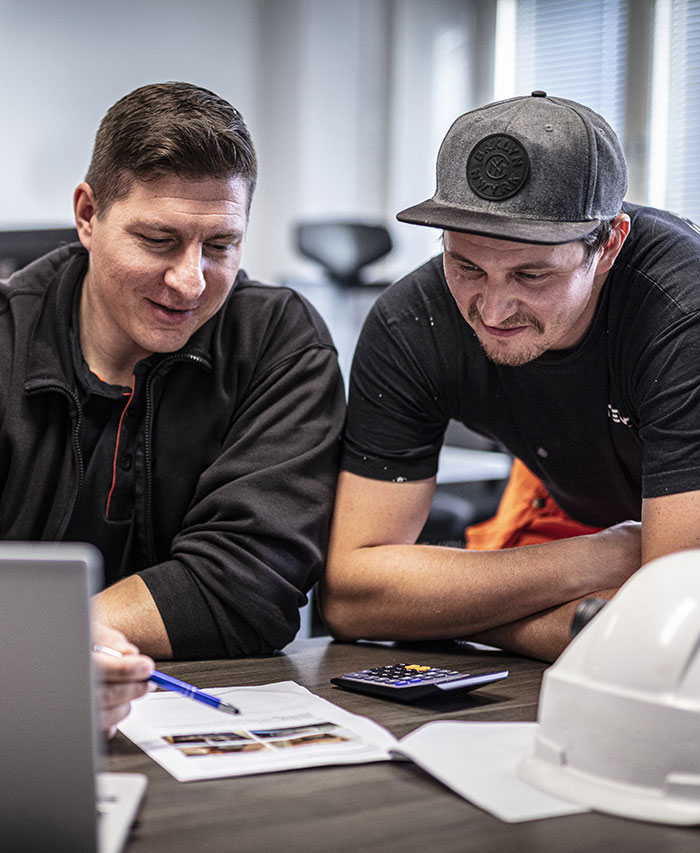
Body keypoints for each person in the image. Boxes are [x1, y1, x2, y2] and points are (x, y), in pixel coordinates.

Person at [321, 91, 700, 662]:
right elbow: (351, 600)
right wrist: (602, 561)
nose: (493, 311)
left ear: (609, 245)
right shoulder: (411, 322)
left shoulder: (682, 315)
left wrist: (453, 618)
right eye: (466, 266)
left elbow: (676, 621)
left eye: (532, 274)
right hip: (599, 530)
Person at [0, 82, 345, 661]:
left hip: (202, 708)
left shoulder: (277, 344)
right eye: (159, 241)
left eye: (220, 245)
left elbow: (249, 582)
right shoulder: (8, 337)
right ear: (88, 215)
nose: (190, 281)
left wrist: (53, 643)